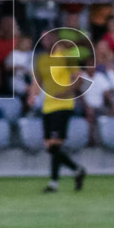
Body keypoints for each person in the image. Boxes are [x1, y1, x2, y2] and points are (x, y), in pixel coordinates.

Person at [29, 31, 87, 193]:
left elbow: (79, 79)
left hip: (63, 105)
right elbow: (38, 80)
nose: (45, 41)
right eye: (43, 38)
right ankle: (77, 170)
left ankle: (53, 183)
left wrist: (64, 92)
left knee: (55, 145)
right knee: (50, 147)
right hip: (47, 106)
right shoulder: (42, 59)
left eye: (48, 38)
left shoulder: (66, 56)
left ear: (55, 39)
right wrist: (32, 95)